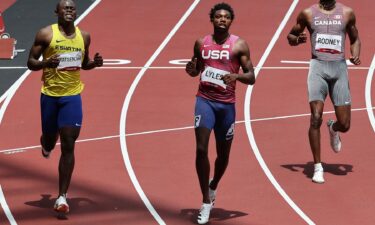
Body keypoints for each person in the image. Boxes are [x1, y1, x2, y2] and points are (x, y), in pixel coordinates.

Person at [27, 0, 103, 213]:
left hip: (72, 96)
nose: (69, 10)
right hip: (50, 96)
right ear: (57, 12)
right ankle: (46, 144)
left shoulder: (84, 36)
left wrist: (94, 64)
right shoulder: (45, 34)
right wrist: (45, 63)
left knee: (69, 142)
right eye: (65, 8)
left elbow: (84, 62)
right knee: (51, 140)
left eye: (72, 8)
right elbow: (30, 62)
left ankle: (62, 197)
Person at [185, 2, 255, 224]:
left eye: (226, 17)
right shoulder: (201, 43)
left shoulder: (239, 45)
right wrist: (191, 70)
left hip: (227, 106)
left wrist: (236, 77)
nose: (222, 20)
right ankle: (206, 200)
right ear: (212, 20)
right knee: (200, 148)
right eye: (218, 17)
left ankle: (213, 185)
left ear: (230, 21)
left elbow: (251, 76)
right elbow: (196, 69)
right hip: (204, 101)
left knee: (223, 156)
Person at [287, 0, 361, 184]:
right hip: (318, 68)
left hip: (339, 69)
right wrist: (296, 40)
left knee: (345, 124)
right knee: (315, 117)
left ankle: (333, 128)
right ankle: (318, 167)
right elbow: (291, 36)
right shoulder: (307, 14)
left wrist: (355, 53)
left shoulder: (347, 13)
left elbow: (355, 38)